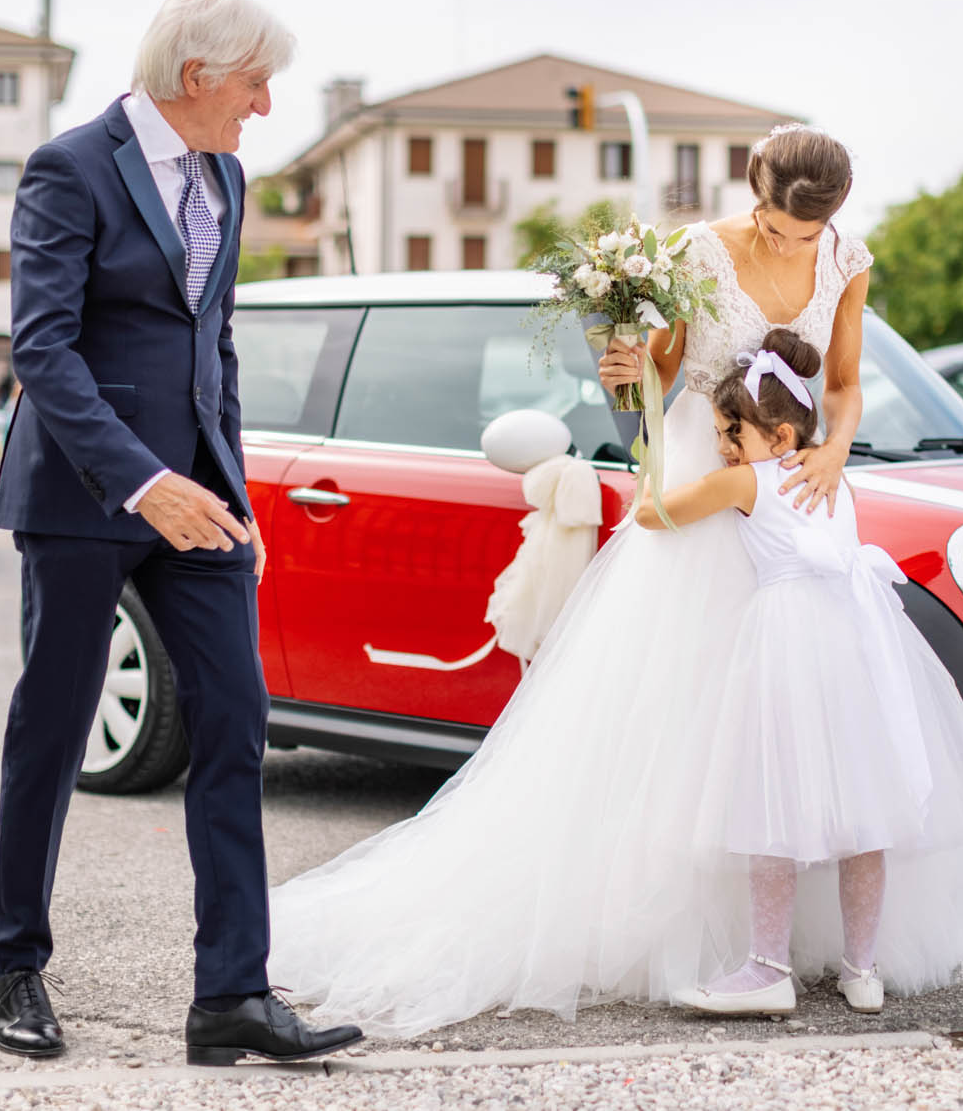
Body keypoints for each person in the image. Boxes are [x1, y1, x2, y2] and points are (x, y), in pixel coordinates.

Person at [269, 125, 901, 1039]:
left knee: (795, 714)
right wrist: (629, 363)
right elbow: (667, 374)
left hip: (797, 489)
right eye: (775, 226)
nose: (791, 246)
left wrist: (835, 452)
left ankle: (808, 945)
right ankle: (683, 932)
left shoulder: (847, 259)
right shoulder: (699, 251)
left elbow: (842, 383)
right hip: (701, 474)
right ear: (754, 192)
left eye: (808, 236)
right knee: (680, 702)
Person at [0, 0, 359, 1067]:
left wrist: (232, 492)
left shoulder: (227, 175)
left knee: (237, 723)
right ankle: (18, 965)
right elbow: (43, 351)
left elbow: (215, 348)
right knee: (51, 733)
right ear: (197, 77)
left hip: (201, 497)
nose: (265, 106)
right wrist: (143, 481)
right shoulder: (70, 167)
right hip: (85, 496)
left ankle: (231, 993)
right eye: (255, 83)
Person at [633, 329, 963, 1015]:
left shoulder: (742, 480)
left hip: (787, 641)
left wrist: (649, 455)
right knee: (861, 811)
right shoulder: (828, 474)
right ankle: (862, 970)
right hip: (858, 642)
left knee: (769, 805)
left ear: (777, 434)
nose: (723, 444)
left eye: (732, 431)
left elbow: (652, 517)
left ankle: (765, 970)